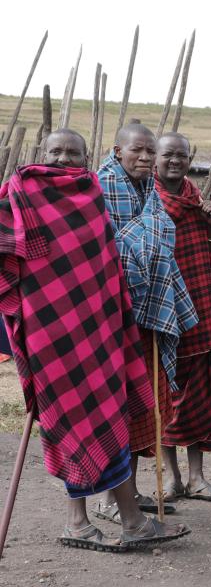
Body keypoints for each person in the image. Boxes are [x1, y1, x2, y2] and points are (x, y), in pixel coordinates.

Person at [0, 128, 188, 551]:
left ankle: (115, 522)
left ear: (87, 159)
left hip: (97, 330)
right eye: (56, 151)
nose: (64, 160)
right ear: (41, 153)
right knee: (69, 422)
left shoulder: (91, 196)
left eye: (73, 153)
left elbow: (106, 263)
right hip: (50, 334)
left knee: (106, 419)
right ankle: (84, 522)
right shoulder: (18, 194)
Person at [95, 124, 198, 522]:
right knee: (115, 407)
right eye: (137, 150)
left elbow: (158, 239)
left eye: (149, 152)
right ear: (117, 150)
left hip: (148, 313)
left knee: (144, 404)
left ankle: (130, 493)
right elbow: (102, 247)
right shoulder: (100, 189)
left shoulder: (148, 192)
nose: (145, 158)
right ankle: (107, 500)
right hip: (110, 316)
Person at [154, 132, 211, 503]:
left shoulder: (198, 202)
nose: (175, 161)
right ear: (155, 158)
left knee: (200, 394)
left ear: (190, 159)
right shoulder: (146, 199)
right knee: (166, 397)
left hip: (200, 310)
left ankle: (198, 477)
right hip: (161, 312)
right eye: (168, 155)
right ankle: (171, 478)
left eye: (181, 156)